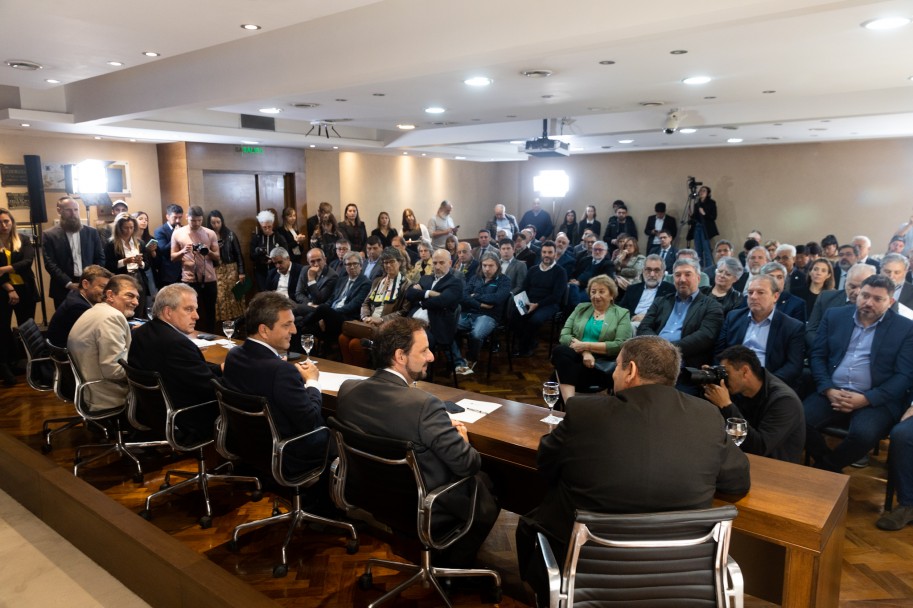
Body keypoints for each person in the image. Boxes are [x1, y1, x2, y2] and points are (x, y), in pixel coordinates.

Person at [517, 336, 750, 602]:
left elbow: (546, 464)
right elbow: (737, 483)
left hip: (587, 577)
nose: (614, 374)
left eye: (617, 366)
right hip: (680, 580)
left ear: (631, 371)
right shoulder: (707, 415)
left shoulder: (585, 412)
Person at [336, 316, 500, 568]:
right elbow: (467, 465)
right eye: (423, 350)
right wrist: (463, 441)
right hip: (423, 506)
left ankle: (418, 552)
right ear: (400, 356)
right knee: (489, 482)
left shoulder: (347, 390)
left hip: (373, 496)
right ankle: (453, 569)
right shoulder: (424, 405)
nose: (432, 357)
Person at [804, 275, 913, 473]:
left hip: (875, 399)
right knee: (798, 420)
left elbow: (904, 376)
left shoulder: (905, 328)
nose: (868, 302)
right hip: (833, 391)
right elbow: (818, 356)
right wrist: (828, 389)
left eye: (878, 299)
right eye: (865, 295)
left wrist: (866, 399)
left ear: (890, 302)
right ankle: (828, 466)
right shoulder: (834, 316)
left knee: (863, 435)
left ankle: (824, 468)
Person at [222, 291, 326, 477]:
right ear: (264, 330)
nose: (294, 330)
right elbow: (310, 421)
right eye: (287, 325)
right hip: (287, 454)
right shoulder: (281, 371)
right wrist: (312, 381)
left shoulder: (233, 356)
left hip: (246, 444)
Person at [127, 284, 221, 441]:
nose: (196, 316)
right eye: (189, 309)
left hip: (152, 412)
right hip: (187, 418)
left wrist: (220, 368)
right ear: (168, 312)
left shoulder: (142, 332)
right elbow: (210, 388)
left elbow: (189, 370)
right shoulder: (176, 344)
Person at [703, 345, 805, 463]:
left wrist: (726, 406)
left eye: (727, 373)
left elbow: (759, 448)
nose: (724, 378)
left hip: (773, 468)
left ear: (745, 372)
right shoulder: (739, 389)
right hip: (739, 458)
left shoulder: (785, 401)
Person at [551, 275, 633, 402]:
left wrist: (586, 346)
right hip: (577, 357)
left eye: (601, 291)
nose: (596, 296)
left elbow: (620, 345)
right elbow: (564, 335)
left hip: (601, 365)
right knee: (560, 350)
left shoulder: (622, 314)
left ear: (611, 295)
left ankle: (569, 406)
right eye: (593, 292)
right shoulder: (581, 308)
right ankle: (571, 405)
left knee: (557, 371)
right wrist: (585, 352)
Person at [637, 258, 724, 375]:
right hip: (652, 360)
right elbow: (643, 328)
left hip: (685, 367)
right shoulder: (660, 301)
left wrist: (666, 350)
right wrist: (658, 349)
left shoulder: (712, 306)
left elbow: (705, 337)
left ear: (698, 278)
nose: (682, 279)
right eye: (678, 275)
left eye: (688, 274)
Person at [714, 274, 805, 385]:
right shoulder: (733, 317)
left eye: (760, 292)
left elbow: (793, 366)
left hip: (769, 383)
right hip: (732, 379)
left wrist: (763, 383)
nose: (753, 297)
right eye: (750, 292)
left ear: (775, 297)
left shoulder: (792, 327)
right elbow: (719, 352)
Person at [67, 275, 140, 411]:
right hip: (105, 394)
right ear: (110, 295)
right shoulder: (112, 317)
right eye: (130, 296)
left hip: (88, 386)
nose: (136, 302)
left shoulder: (96, 310)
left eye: (137, 298)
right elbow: (114, 371)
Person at [339, 247, 412, 366]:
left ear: (400, 262)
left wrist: (381, 319)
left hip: (387, 326)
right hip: (368, 322)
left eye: (391, 262)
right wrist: (365, 317)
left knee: (355, 344)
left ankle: (361, 375)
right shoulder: (378, 281)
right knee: (343, 338)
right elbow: (365, 303)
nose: (388, 265)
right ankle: (349, 371)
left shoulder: (406, 285)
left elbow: (403, 312)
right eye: (385, 262)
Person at [452, 252, 511, 375]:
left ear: (498, 266)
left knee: (476, 334)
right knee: (450, 326)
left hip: (489, 316)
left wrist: (476, 296)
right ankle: (457, 359)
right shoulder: (475, 277)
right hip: (470, 312)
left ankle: (471, 359)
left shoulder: (504, 280)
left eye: (491, 266)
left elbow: (496, 299)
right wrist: (480, 304)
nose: (487, 269)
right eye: (484, 265)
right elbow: (463, 296)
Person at [42, 196, 106, 307]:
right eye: (68, 210)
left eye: (76, 210)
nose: (73, 213)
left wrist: (92, 279)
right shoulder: (49, 235)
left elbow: (100, 258)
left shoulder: (91, 232)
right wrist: (69, 284)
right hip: (62, 287)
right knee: (65, 323)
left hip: (89, 284)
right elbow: (50, 264)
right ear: (59, 210)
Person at [0, 209, 38, 385]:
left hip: (25, 289)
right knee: (2, 329)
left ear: (12, 222)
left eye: (7, 221)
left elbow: (27, 262)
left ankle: (35, 366)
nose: (4, 225)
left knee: (26, 328)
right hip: (2, 290)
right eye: (0, 222)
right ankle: (8, 364)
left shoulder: (22, 239)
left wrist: (3, 269)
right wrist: (8, 288)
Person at [512, 240, 567, 358]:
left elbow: (556, 296)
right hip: (530, 301)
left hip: (549, 304)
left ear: (555, 254)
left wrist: (537, 304)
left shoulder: (560, 272)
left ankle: (525, 347)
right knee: (514, 315)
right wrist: (522, 301)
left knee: (534, 320)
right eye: (544, 252)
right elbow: (524, 288)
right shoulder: (533, 269)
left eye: (550, 252)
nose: (547, 255)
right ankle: (530, 342)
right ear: (541, 253)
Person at [171, 205, 220, 333]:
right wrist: (183, 251)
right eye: (193, 220)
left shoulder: (210, 233)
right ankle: (192, 338)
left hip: (209, 278)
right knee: (190, 311)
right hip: (189, 279)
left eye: (199, 220)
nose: (196, 223)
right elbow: (172, 257)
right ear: (187, 217)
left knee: (210, 312)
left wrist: (207, 251)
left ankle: (211, 338)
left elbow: (217, 256)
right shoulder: (178, 233)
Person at [306, 252, 371, 345]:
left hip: (346, 318)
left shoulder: (366, 283)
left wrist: (329, 312)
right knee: (310, 326)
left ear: (361, 265)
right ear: (345, 266)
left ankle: (300, 325)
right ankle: (316, 352)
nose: (352, 267)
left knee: (321, 309)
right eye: (348, 264)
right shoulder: (341, 280)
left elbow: (353, 306)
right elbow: (331, 299)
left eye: (355, 264)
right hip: (332, 314)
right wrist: (326, 314)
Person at [806, 262, 874, 351]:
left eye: (862, 287)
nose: (857, 292)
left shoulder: (877, 307)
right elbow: (811, 331)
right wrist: (826, 350)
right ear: (845, 281)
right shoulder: (826, 298)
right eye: (852, 286)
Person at [405, 248, 462, 352]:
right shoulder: (425, 278)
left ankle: (416, 367)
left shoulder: (455, 283)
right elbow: (409, 294)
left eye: (441, 263)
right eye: (435, 263)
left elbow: (442, 301)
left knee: (411, 343)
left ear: (450, 263)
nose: (437, 266)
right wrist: (429, 293)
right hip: (411, 322)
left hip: (435, 327)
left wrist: (420, 299)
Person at [46, 265, 113, 348]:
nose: (106, 293)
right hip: (67, 354)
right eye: (102, 287)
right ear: (85, 284)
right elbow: (101, 335)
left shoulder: (76, 294)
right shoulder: (78, 307)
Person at [104, 213, 151, 317]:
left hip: (138, 277)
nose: (129, 231)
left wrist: (140, 263)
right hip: (122, 278)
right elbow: (107, 265)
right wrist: (124, 262)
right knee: (123, 308)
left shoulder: (139, 243)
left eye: (131, 227)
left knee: (139, 307)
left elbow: (147, 265)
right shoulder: (111, 244)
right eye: (125, 228)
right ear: (119, 228)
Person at [205, 210, 245, 322]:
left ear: (222, 221)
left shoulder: (230, 234)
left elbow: (238, 254)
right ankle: (223, 326)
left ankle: (237, 325)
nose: (216, 225)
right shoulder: (206, 235)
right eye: (213, 222)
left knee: (234, 297)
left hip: (231, 269)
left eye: (218, 222)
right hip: (215, 270)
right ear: (209, 223)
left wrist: (241, 272)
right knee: (220, 298)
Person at [617, 254, 675, 324]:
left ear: (663, 272)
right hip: (630, 321)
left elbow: (668, 314)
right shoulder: (632, 289)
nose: (652, 274)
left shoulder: (670, 290)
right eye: (648, 270)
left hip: (652, 325)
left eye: (656, 270)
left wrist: (646, 317)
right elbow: (621, 310)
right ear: (643, 271)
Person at [293, 247, 338, 324]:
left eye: (319, 260)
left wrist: (311, 279)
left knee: (295, 309)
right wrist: (309, 304)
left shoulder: (332, 276)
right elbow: (298, 293)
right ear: (308, 262)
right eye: (312, 261)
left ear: (325, 260)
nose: (316, 264)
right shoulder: (304, 270)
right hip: (308, 305)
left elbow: (318, 300)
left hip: (320, 308)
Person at [250, 210, 288, 291]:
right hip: (261, 271)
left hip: (276, 270)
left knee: (276, 292)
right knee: (264, 293)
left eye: (269, 226)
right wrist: (259, 254)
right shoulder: (256, 238)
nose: (267, 229)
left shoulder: (279, 237)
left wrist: (274, 260)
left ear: (272, 224)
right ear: (260, 225)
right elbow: (251, 256)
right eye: (264, 227)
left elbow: (286, 254)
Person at [567, 239, 612, 306]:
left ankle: (574, 309)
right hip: (575, 286)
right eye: (595, 249)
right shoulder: (585, 260)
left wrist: (580, 283)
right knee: (569, 289)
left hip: (591, 289)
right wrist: (572, 279)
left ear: (605, 252)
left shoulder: (608, 265)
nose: (597, 252)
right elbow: (574, 272)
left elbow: (604, 282)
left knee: (573, 297)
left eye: (600, 250)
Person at [687, 185, 719, 268]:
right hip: (697, 227)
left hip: (705, 228)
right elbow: (696, 217)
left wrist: (704, 213)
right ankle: (699, 269)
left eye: (704, 191)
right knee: (698, 250)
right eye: (700, 191)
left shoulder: (711, 203)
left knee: (707, 249)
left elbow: (714, 216)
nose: (701, 192)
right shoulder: (697, 204)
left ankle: (708, 269)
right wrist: (691, 215)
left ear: (708, 193)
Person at [153, 204, 184, 288]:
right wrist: (175, 235)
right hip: (168, 274)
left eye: (180, 217)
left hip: (184, 272)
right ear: (167, 216)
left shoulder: (184, 229)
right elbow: (163, 250)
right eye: (175, 217)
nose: (178, 220)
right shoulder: (160, 231)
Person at [132, 211, 160, 298]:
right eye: (140, 219)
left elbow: (157, 260)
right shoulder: (130, 238)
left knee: (151, 296)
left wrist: (152, 251)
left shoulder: (151, 238)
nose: (144, 221)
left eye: (146, 220)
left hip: (149, 270)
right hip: (135, 270)